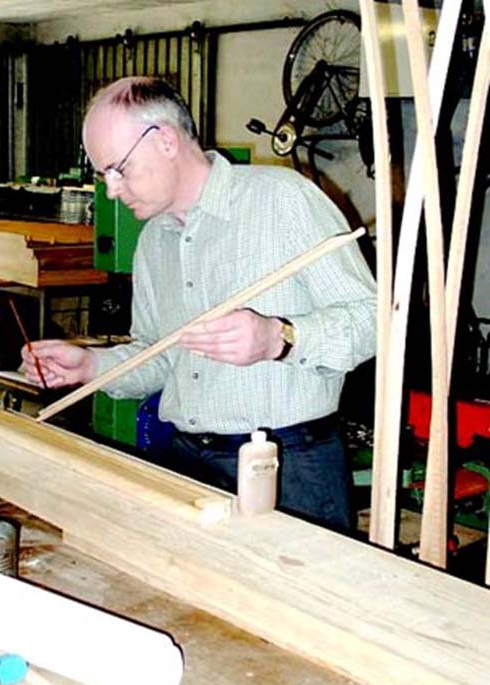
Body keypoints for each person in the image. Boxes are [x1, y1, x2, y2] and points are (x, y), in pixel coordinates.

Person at [21, 77, 377, 532]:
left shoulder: (282, 201)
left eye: (118, 169)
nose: (111, 190)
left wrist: (280, 338)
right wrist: (92, 366)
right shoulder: (154, 241)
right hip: (188, 461)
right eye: (102, 174)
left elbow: (374, 321)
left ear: (166, 140)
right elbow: (162, 354)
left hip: (288, 468)